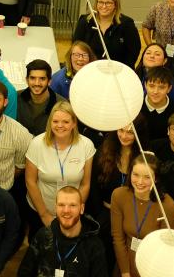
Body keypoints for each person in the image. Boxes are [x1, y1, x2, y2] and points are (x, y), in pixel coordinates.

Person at [25, 101, 96, 239]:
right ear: (50, 122)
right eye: (55, 121)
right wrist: (44, 214)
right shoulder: (37, 144)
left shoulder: (86, 145)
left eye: (65, 122)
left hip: (71, 214)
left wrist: (75, 212)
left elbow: (85, 183)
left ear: (74, 123)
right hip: (40, 210)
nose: (60, 126)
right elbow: (30, 181)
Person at [85, 119, 141, 276]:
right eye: (121, 130)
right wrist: (99, 215)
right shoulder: (104, 151)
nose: (124, 136)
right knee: (105, 258)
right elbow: (94, 186)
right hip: (106, 214)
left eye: (130, 132)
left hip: (132, 217)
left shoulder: (144, 156)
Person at [110, 153, 174, 277]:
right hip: (124, 263)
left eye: (147, 177)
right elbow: (118, 238)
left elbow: (165, 250)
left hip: (152, 268)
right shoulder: (119, 195)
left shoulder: (168, 206)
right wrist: (125, 272)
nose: (140, 182)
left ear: (156, 178)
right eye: (135, 175)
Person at [18, 186, 109, 277]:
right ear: (56, 208)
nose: (66, 210)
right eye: (61, 205)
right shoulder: (43, 236)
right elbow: (24, 272)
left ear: (82, 208)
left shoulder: (94, 245)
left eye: (72, 205)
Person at [74, 0, 141, 68]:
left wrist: (122, 70)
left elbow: (133, 52)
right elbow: (76, 47)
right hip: (89, 69)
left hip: (116, 71)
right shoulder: (85, 21)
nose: (104, 6)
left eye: (108, 3)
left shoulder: (127, 24)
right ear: (96, 3)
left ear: (115, 5)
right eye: (101, 2)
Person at [16, 59, 66, 135]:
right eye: (33, 78)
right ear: (27, 80)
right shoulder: (15, 98)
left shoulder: (62, 105)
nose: (37, 83)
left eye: (42, 79)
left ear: (49, 81)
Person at [139, 67, 174, 142]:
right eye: (151, 86)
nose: (155, 91)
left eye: (161, 87)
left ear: (169, 89)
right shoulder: (136, 105)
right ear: (145, 85)